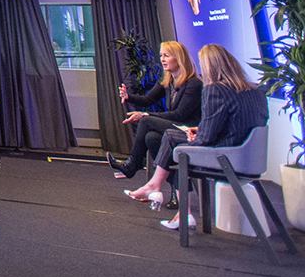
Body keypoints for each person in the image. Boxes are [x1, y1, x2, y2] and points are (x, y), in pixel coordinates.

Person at [124, 44, 269, 229]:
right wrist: (198, 132)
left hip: (227, 156)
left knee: (173, 140)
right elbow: (234, 124)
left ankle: (160, 191)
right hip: (250, 157)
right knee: (160, 137)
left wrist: (197, 138)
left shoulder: (214, 89)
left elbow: (207, 137)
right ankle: (162, 193)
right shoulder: (256, 90)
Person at [108, 40, 203, 179]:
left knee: (146, 121)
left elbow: (180, 115)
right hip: (177, 125)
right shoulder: (168, 80)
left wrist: (145, 114)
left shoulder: (193, 83)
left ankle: (132, 165)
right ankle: (175, 191)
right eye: (161, 55)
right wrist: (128, 97)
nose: (162, 60)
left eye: (167, 56)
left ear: (179, 58)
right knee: (151, 138)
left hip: (189, 129)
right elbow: (148, 99)